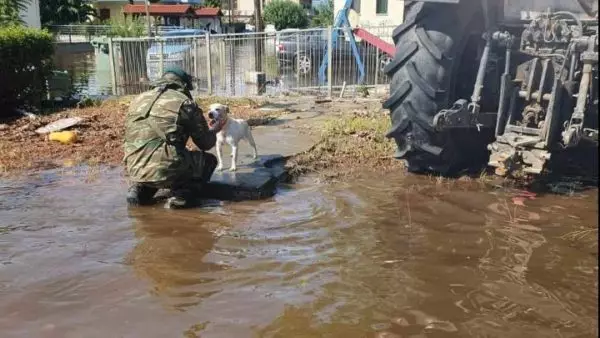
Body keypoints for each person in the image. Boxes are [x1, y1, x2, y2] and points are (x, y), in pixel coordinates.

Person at [123, 67, 217, 209]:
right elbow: (205, 143)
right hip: (166, 167)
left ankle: (140, 190)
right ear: (183, 85)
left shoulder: (138, 100)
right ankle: (182, 197)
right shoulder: (185, 103)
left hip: (134, 165)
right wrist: (215, 130)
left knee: (154, 160)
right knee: (208, 161)